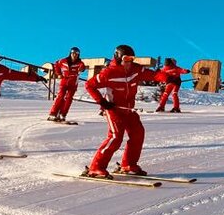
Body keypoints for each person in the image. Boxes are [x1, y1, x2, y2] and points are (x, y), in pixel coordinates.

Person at [83, 45, 160, 177]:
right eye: (126, 58)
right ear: (118, 57)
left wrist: (168, 78)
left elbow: (155, 75)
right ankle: (96, 167)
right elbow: (89, 85)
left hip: (129, 110)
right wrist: (102, 101)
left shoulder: (136, 69)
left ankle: (128, 165)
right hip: (114, 109)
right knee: (115, 137)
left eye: (131, 59)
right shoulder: (109, 73)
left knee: (138, 133)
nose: (129, 62)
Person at [47, 46, 87, 122]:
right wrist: (58, 73)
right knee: (60, 96)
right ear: (70, 53)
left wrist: (82, 69)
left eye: (76, 54)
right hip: (64, 80)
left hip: (73, 82)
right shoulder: (63, 61)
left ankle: (63, 114)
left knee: (69, 98)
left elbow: (83, 67)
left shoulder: (80, 63)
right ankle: (53, 113)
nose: (74, 55)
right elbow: (56, 64)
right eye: (73, 53)